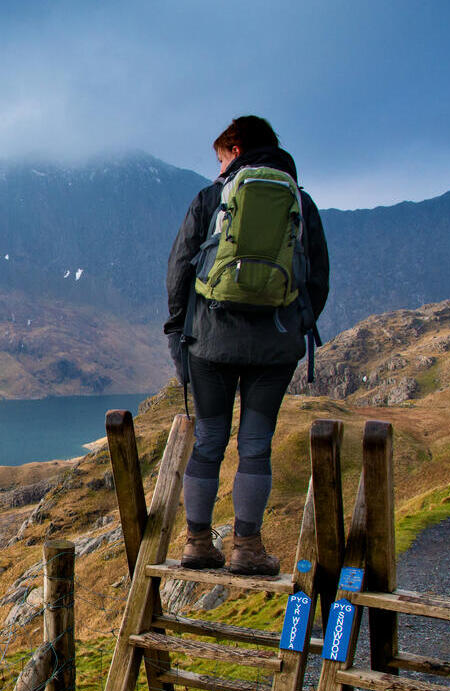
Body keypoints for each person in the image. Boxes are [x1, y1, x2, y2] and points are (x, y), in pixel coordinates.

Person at [164, 115, 330, 574]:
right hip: (274, 345)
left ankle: (197, 542)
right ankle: (247, 549)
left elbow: (179, 268)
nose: (218, 169)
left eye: (220, 158)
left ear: (235, 149)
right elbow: (317, 277)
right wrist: (294, 324)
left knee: (210, 440)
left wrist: (177, 330)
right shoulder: (301, 202)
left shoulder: (211, 198)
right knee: (256, 445)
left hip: (210, 343)